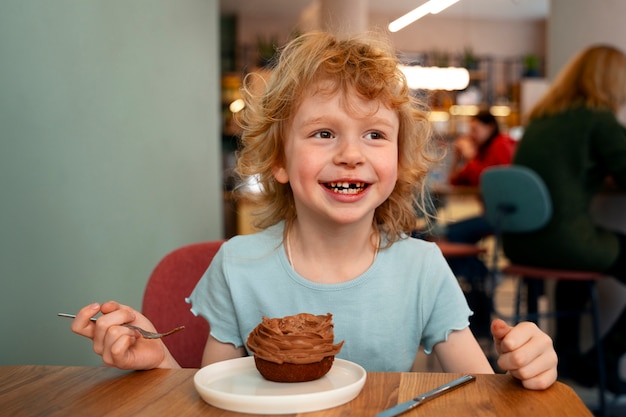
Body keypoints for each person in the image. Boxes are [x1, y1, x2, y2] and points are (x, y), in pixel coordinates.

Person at [69, 31, 557, 390]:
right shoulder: (237, 268)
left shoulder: (423, 269)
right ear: (279, 160)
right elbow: (212, 397)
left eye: (375, 134)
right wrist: (158, 364)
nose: (351, 153)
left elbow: (481, 393)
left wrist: (528, 367)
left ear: (399, 160)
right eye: (324, 133)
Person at [502, 44, 626, 394]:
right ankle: (603, 357)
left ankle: (569, 355)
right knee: (586, 247)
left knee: (574, 271)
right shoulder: (598, 120)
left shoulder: (542, 117)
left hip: (522, 242)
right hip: (563, 241)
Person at [439, 111, 517, 336]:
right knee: (451, 233)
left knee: (451, 233)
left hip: (503, 215)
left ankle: (480, 281)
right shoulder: (482, 152)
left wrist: (471, 156)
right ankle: (480, 282)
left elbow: (496, 183)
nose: (471, 134)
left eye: (475, 129)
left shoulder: (500, 145)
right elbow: (454, 180)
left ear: (490, 127)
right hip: (492, 215)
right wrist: (457, 157)